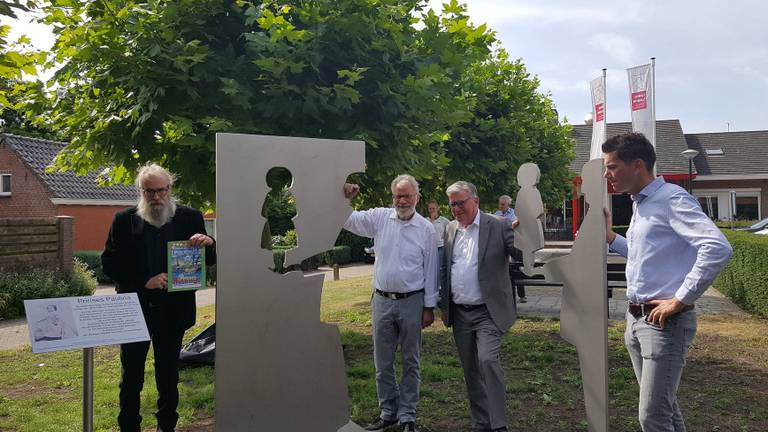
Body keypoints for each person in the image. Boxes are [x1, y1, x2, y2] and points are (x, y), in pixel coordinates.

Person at [602, 133, 732, 432]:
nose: (607, 175)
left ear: (637, 165)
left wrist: (681, 299)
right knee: (665, 410)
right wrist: (611, 238)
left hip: (664, 325)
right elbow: (643, 253)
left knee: (653, 417)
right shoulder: (642, 204)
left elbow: (717, 247)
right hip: (636, 320)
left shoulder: (672, 199)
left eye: (612, 167)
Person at [102, 163, 216, 432]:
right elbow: (109, 263)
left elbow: (208, 260)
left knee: (168, 374)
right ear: (140, 191)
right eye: (149, 191)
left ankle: (168, 425)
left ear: (170, 189)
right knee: (131, 376)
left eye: (161, 191)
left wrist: (209, 243)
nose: (155, 197)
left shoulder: (190, 217)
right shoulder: (123, 220)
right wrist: (144, 281)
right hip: (134, 309)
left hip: (173, 310)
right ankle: (129, 425)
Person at [343, 175, 438, 432]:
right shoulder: (380, 218)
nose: (402, 200)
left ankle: (408, 416)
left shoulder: (426, 229)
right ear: (392, 197)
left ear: (417, 197)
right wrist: (345, 199)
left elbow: (431, 270)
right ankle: (388, 412)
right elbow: (348, 220)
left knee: (411, 361)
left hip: (412, 301)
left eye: (407, 195)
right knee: (382, 362)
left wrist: (429, 307)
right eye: (398, 195)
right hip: (382, 301)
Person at [440, 181, 517, 432]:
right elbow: (446, 269)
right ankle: (481, 423)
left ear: (476, 200)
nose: (456, 209)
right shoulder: (450, 230)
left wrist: (524, 235)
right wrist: (443, 304)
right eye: (452, 204)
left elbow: (520, 254)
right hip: (460, 313)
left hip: (488, 311)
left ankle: (499, 425)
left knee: (487, 361)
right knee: (471, 369)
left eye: (461, 202)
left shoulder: (498, 226)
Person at [495, 195, 526, 303]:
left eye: (503, 204)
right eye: (500, 204)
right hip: (500, 244)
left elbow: (516, 223)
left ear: (508, 204)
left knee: (515, 268)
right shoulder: (497, 214)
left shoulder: (513, 214)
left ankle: (522, 295)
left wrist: (505, 227)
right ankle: (505, 295)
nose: (501, 206)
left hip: (513, 244)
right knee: (502, 268)